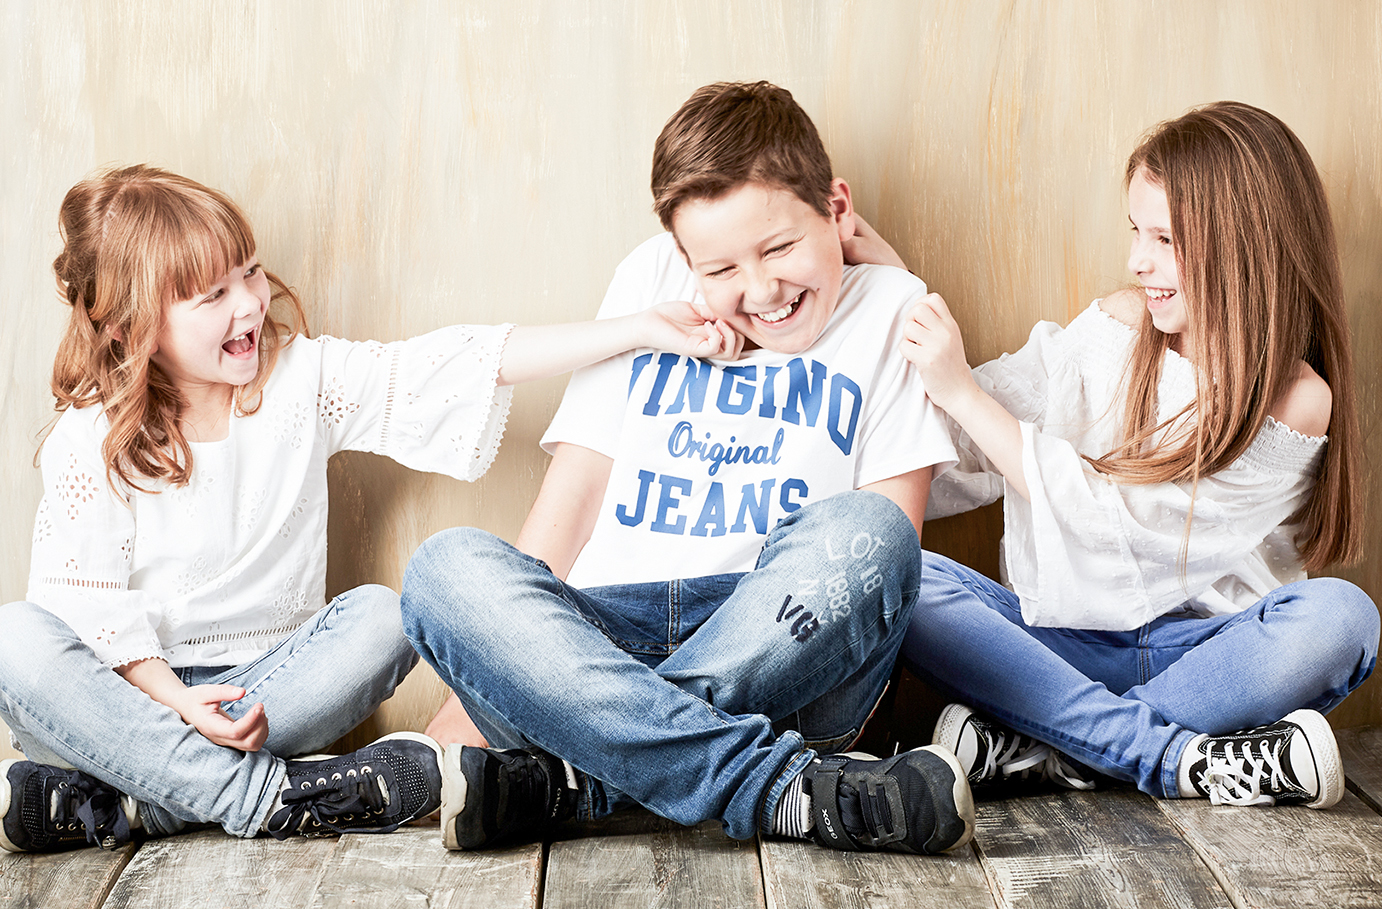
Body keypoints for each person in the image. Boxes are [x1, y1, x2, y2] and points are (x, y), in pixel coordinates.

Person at [0, 165, 738, 853]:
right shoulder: (89, 437)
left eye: (249, 271)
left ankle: (133, 801)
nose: (251, 302)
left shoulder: (300, 382)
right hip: (127, 695)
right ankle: (259, 796)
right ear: (131, 327)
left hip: (268, 694)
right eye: (212, 296)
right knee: (13, 637)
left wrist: (639, 328)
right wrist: (178, 706)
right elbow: (88, 612)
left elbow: (458, 362)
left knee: (387, 615)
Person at [402, 81, 974, 857]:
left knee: (870, 531)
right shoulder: (648, 284)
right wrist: (473, 698)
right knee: (444, 569)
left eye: (779, 248)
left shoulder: (894, 308)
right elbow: (569, 504)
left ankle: (579, 779)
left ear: (837, 209)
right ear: (680, 256)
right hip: (589, 652)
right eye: (721, 267)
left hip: (778, 654)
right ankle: (773, 788)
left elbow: (885, 554)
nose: (762, 290)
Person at [894, 101, 1378, 809]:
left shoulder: (1295, 397)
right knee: (896, 571)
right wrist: (892, 289)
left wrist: (964, 393)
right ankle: (1178, 757)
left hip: (1208, 657)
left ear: (1248, 245)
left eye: (1165, 238)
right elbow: (969, 446)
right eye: (1135, 230)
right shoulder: (1120, 323)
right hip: (1065, 646)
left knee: (1344, 617)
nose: (1136, 260)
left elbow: (1112, 525)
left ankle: (1051, 751)